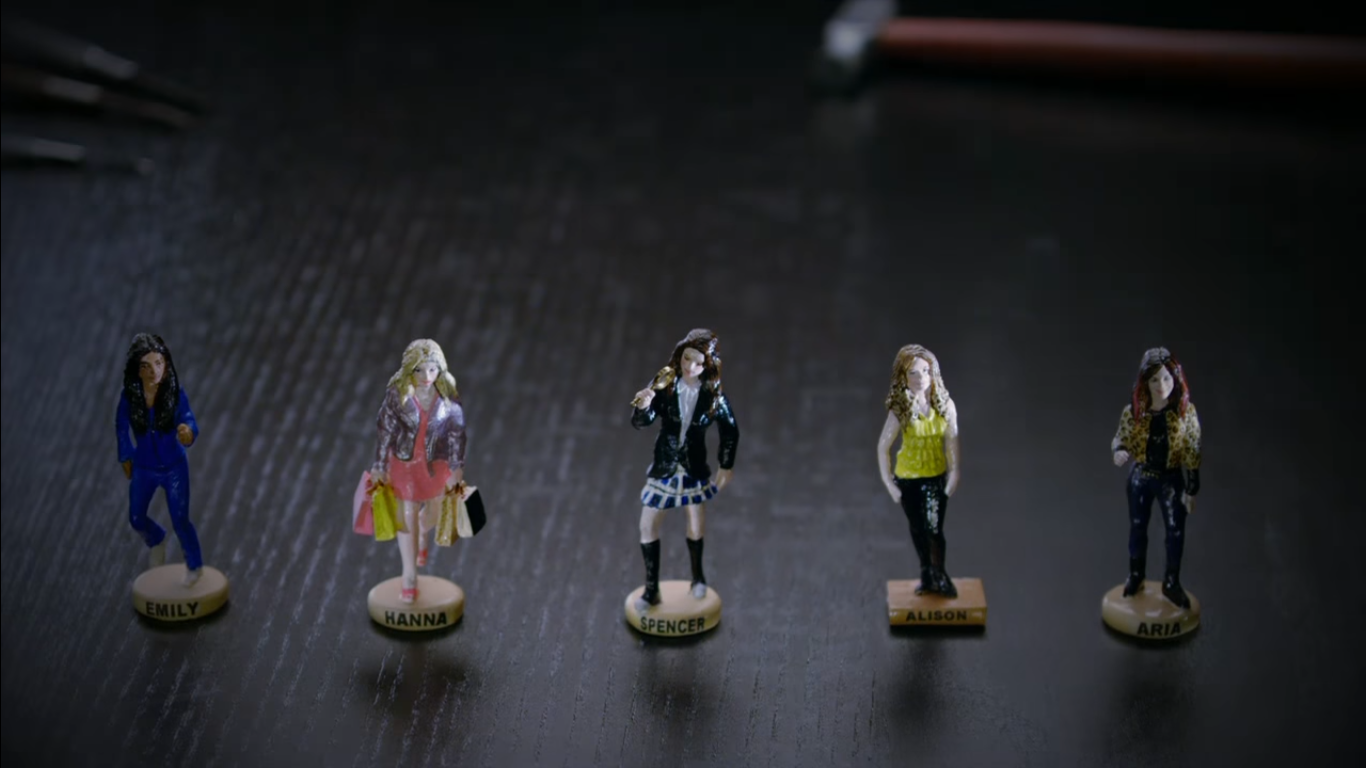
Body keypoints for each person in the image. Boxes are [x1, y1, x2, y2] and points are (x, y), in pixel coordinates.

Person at [630, 329, 739, 613]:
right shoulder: (664, 384)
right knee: (647, 525)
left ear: (708, 366)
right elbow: (641, 422)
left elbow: (730, 429)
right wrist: (643, 406)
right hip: (665, 465)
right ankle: (651, 590)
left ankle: (698, 578)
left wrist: (726, 464)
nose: (690, 366)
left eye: (699, 362)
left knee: (696, 524)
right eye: (687, 358)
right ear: (680, 355)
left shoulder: (712, 395)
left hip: (693, 468)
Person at [371, 339, 466, 604]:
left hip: (437, 464)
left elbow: (457, 434)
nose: (426, 376)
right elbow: (385, 431)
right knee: (407, 515)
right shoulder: (397, 395)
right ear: (409, 369)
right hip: (406, 464)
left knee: (434, 511)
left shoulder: (447, 396)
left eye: (432, 369)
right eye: (419, 369)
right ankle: (409, 574)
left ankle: (423, 530)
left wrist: (457, 467)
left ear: (440, 368)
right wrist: (379, 465)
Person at [1111, 347, 1201, 609]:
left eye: (1166, 378)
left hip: (1171, 479)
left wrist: (1191, 488)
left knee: (1175, 530)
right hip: (1141, 476)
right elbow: (1120, 438)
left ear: (1176, 379)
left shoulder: (1185, 413)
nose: (1161, 385)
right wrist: (1118, 451)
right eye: (1154, 380)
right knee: (1138, 526)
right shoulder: (1134, 412)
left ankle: (1172, 582)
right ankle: (1136, 575)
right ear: (1145, 382)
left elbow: (1193, 449)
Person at [115, 333, 204, 586]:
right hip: (143, 467)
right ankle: (156, 539)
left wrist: (188, 432)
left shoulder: (175, 394)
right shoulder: (129, 398)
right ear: (137, 370)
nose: (154, 371)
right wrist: (125, 454)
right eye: (146, 366)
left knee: (180, 520)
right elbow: (121, 426)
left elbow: (189, 419)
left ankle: (195, 564)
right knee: (136, 518)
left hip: (174, 467)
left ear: (166, 364)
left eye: (158, 363)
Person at [876, 344, 961, 597]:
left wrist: (955, 472)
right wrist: (889, 483)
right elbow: (883, 447)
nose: (921, 378)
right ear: (903, 377)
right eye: (913, 372)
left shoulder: (945, 406)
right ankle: (927, 574)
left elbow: (952, 441)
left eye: (925, 371)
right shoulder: (901, 409)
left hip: (935, 476)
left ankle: (940, 575)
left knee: (934, 529)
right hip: (908, 479)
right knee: (917, 529)